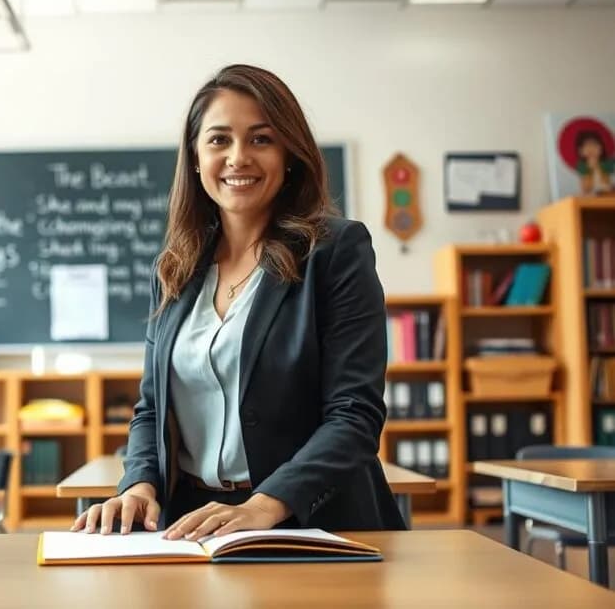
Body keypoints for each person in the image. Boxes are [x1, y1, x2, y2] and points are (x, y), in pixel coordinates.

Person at [71, 64, 405, 539]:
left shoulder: (335, 252)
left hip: (312, 525)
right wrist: (140, 485)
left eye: (261, 139)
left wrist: (267, 505)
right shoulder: (174, 269)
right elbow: (151, 409)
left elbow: (354, 414)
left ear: (290, 152)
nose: (238, 157)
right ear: (194, 157)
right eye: (219, 140)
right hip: (192, 526)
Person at [575, 130, 614, 195]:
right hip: (589, 192)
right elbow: (585, 182)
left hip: (605, 190)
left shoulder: (606, 163)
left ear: (601, 148)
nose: (591, 148)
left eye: (595, 145)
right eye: (587, 145)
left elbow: (609, 173)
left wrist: (599, 166)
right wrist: (589, 168)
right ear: (580, 151)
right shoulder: (582, 165)